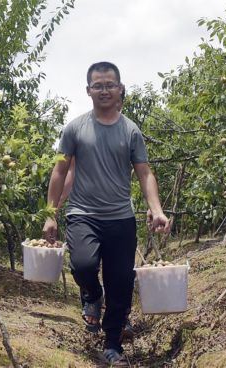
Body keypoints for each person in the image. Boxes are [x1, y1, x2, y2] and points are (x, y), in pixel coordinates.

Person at [42, 61, 170, 366]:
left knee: (121, 281)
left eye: (110, 84)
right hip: (83, 214)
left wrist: (156, 209)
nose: (104, 90)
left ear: (120, 89)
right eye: (97, 85)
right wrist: (51, 213)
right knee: (84, 265)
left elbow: (145, 173)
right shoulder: (74, 129)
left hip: (120, 219)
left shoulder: (131, 131)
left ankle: (113, 345)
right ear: (88, 91)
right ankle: (91, 294)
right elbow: (60, 172)